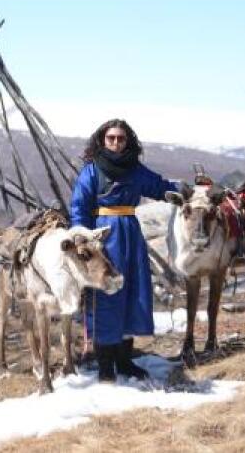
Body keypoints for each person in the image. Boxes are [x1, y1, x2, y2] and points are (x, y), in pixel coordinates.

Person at [70, 119, 178, 382]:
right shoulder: (92, 172)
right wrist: (83, 242)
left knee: (132, 293)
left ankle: (124, 360)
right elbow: (79, 209)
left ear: (127, 141)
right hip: (103, 239)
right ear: (102, 140)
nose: (116, 143)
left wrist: (188, 192)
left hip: (131, 235)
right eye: (111, 138)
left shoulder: (135, 170)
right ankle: (105, 365)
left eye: (121, 138)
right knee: (106, 296)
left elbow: (160, 187)